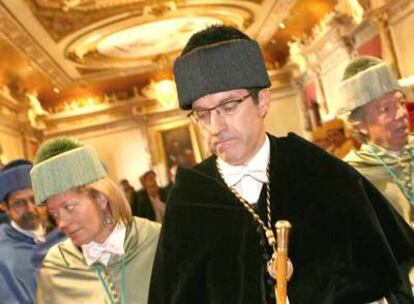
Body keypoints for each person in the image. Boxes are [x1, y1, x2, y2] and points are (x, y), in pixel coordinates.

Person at [148, 25, 414, 304]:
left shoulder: (319, 172)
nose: (216, 127)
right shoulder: (190, 200)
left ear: (262, 101)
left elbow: (389, 273)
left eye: (228, 107)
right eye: (202, 114)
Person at [31, 137, 160, 303]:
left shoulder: (157, 241)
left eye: (69, 208)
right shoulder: (56, 266)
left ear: (100, 198)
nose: (61, 223)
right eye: (54, 214)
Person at [336, 56, 414, 226]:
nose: (401, 114)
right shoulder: (354, 178)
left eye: (401, 103)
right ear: (361, 124)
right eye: (386, 109)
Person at [0, 159, 63, 304]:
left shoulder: (64, 235)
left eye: (35, 199)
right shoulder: (3, 253)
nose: (30, 209)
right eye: (19, 203)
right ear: (5, 207)